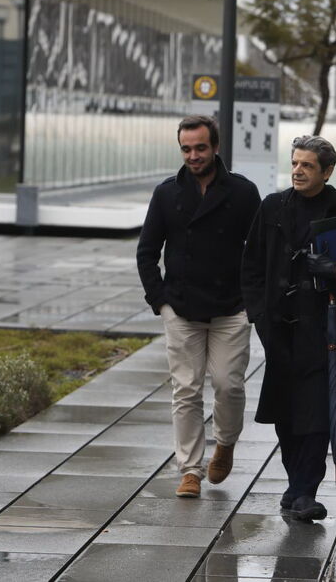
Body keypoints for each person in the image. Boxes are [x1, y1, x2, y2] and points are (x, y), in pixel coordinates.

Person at [241, 135, 336, 522]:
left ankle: (304, 491)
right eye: (295, 163)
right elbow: (250, 266)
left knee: (318, 410)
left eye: (307, 165)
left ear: (327, 171)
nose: (298, 171)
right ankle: (295, 484)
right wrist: (259, 316)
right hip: (277, 327)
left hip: (325, 330)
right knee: (285, 411)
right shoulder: (273, 207)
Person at [137, 115, 261, 498]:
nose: (193, 155)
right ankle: (190, 469)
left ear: (216, 147)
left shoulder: (242, 192)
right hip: (181, 307)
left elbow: (259, 252)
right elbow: (146, 251)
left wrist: (251, 302)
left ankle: (224, 444)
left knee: (228, 384)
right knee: (186, 390)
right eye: (186, 149)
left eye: (200, 148)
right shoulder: (167, 193)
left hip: (231, 308)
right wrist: (160, 302)